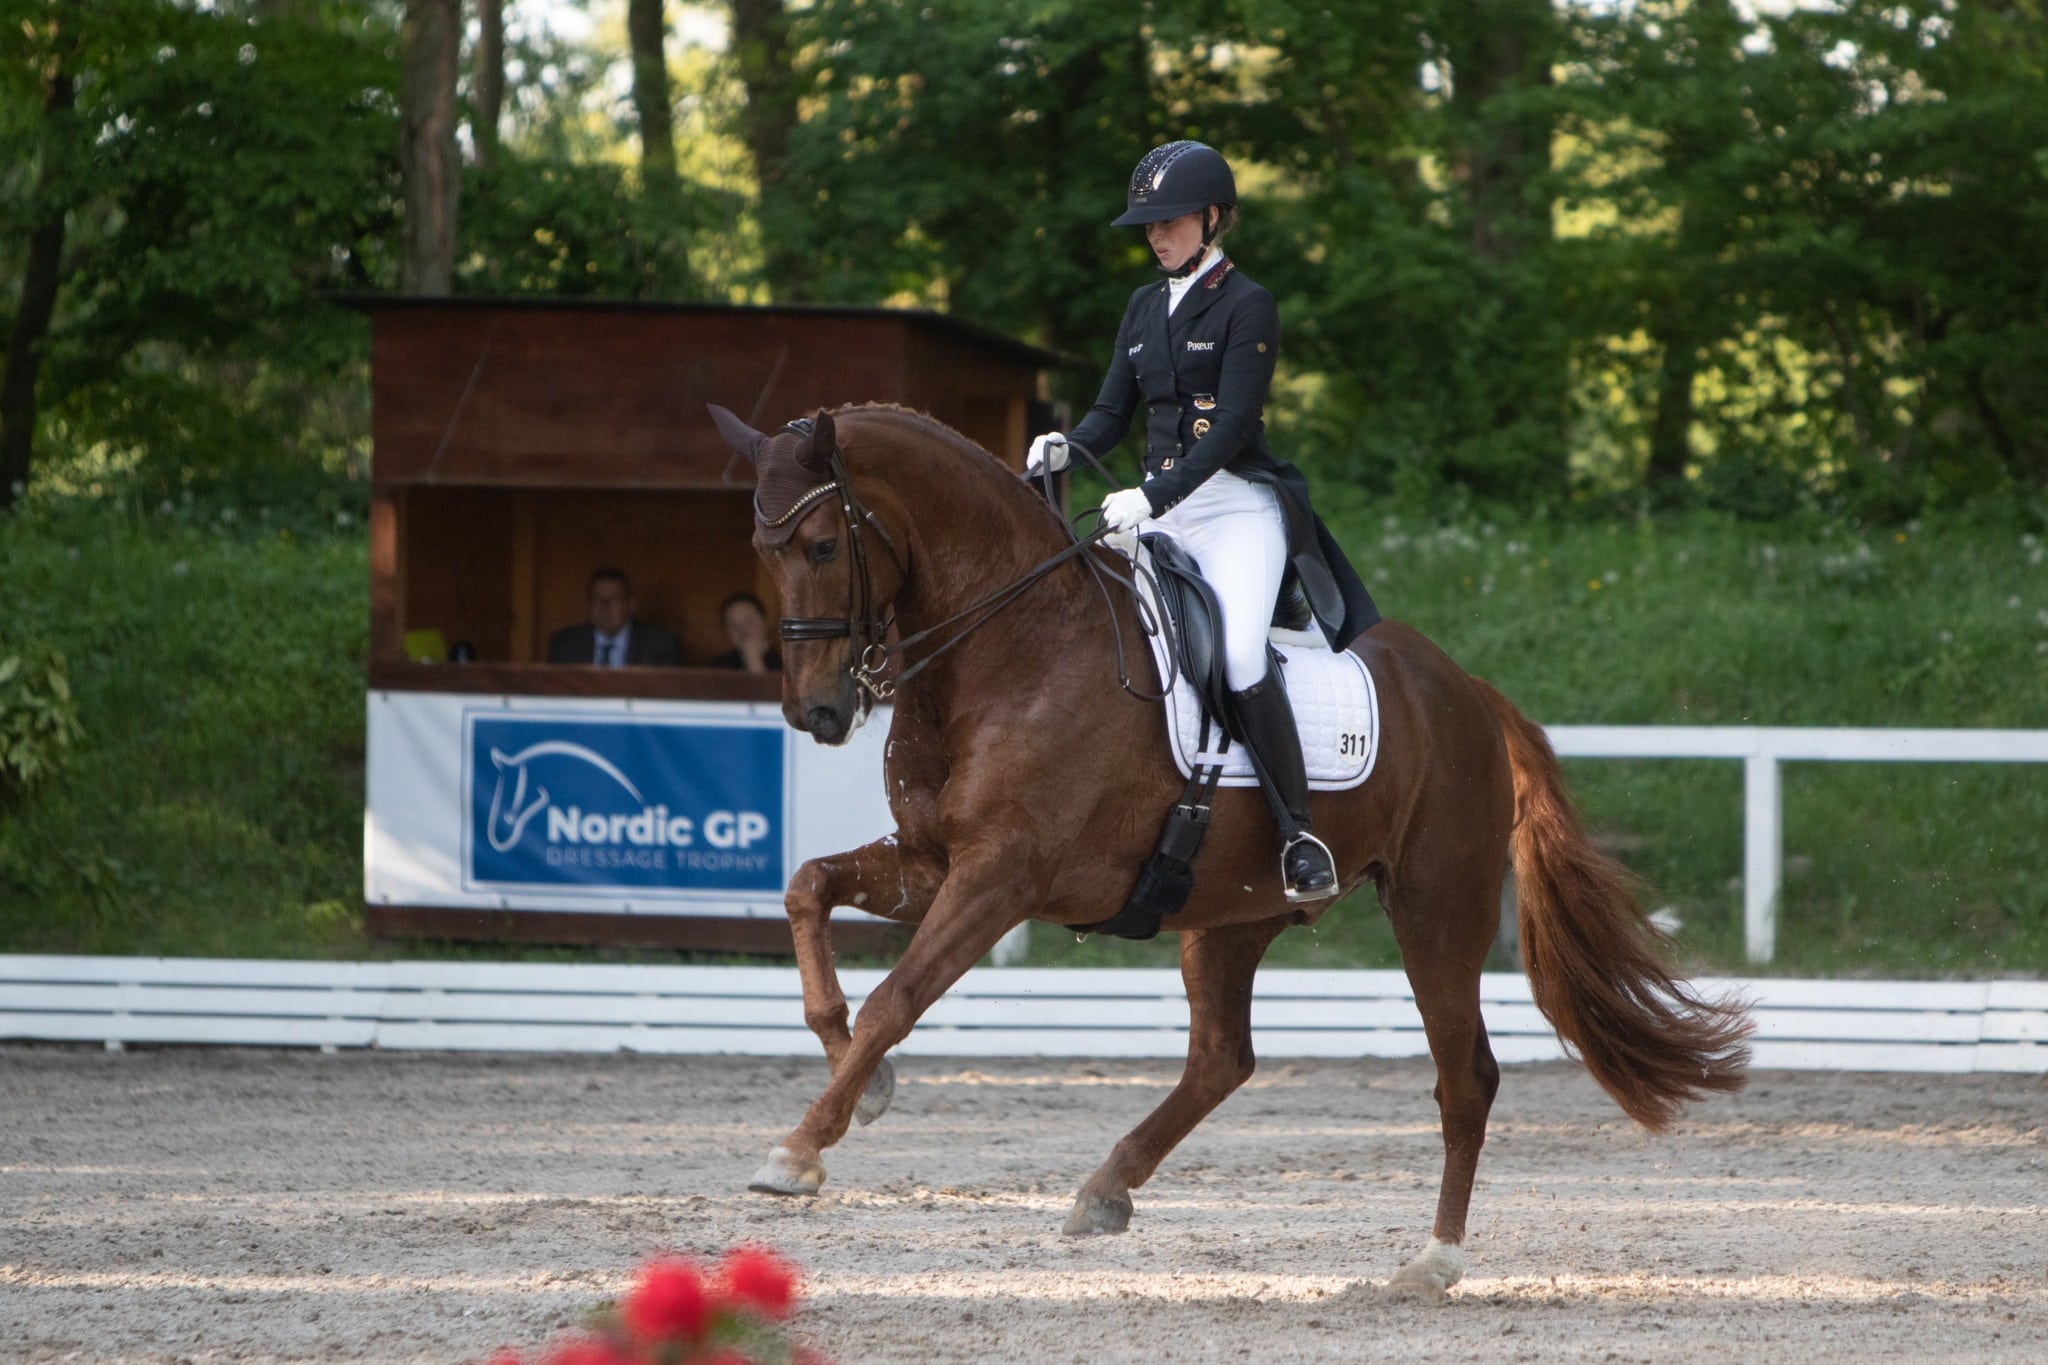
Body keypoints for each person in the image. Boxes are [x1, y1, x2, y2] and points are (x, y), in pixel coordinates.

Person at [1026, 140, 1380, 902]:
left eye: (1172, 221)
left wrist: (1154, 498)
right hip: (1157, 508)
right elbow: (1110, 413)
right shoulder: (1143, 306)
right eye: (1149, 225)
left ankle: (1298, 834)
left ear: (1213, 219)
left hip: (1232, 508)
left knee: (1242, 653)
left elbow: (1229, 430)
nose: (1156, 236)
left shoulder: (1248, 304)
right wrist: (1066, 447)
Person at [545, 568, 683, 667]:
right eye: (597, 600)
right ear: (588, 604)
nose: (604, 607)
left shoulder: (659, 645)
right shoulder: (565, 644)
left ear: (630, 605)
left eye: (614, 600)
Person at [707, 591, 783, 672]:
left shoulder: (787, 664)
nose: (743, 631)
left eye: (749, 621)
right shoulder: (716, 668)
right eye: (734, 626)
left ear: (765, 622)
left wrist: (754, 659)